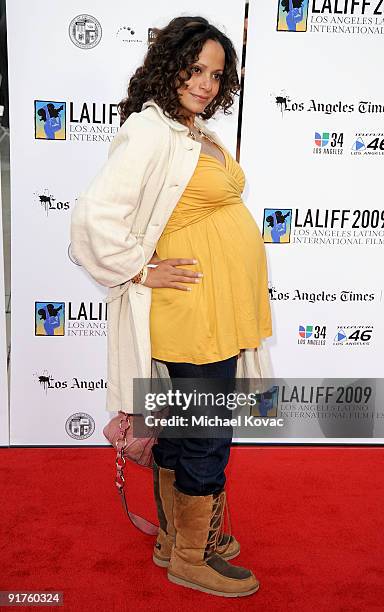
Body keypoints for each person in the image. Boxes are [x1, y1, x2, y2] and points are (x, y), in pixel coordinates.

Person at [71, 16, 272, 598]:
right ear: (170, 65)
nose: (206, 84)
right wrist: (139, 267)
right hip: (191, 311)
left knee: (186, 427)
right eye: (195, 69)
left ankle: (173, 539)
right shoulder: (151, 130)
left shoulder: (191, 130)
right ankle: (192, 555)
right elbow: (92, 217)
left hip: (217, 308)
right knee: (205, 432)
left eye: (216, 74)